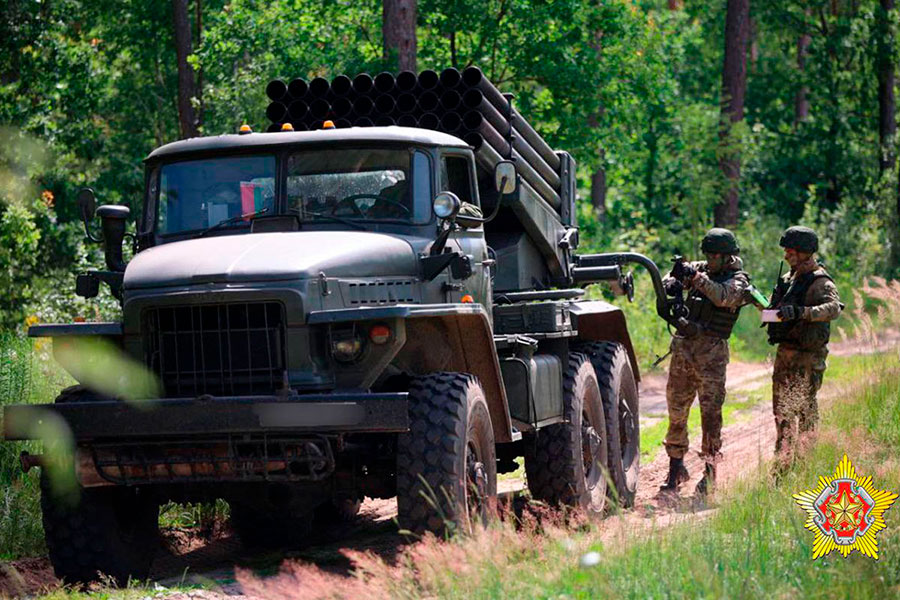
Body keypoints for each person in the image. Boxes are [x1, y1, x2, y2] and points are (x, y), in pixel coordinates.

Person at [660, 228, 750, 496]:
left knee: (710, 415)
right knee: (677, 409)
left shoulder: (739, 280)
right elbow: (670, 279)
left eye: (714, 256)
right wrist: (674, 280)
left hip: (711, 355)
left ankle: (710, 472)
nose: (709, 260)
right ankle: (676, 467)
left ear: (727, 257)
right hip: (684, 351)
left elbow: (724, 297)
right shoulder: (703, 268)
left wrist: (696, 278)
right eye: (707, 255)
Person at [767, 226, 842, 471]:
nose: (786, 255)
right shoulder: (788, 280)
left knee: (805, 410)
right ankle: (782, 464)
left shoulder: (820, 281)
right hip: (785, 354)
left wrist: (803, 313)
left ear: (804, 252)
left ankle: (806, 465)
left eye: (790, 251)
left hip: (808, 356)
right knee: (782, 411)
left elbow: (834, 308)